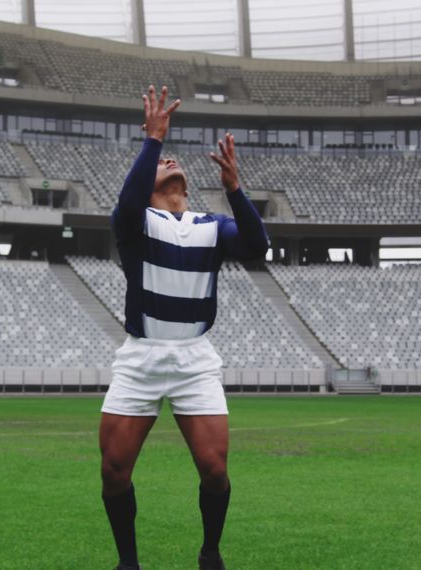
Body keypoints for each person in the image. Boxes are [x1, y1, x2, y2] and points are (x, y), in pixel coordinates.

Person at [99, 85, 269, 570]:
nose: (170, 159)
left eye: (172, 157)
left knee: (215, 469)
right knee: (114, 470)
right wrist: (151, 141)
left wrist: (237, 191)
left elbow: (257, 246)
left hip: (194, 358)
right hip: (143, 356)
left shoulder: (210, 225)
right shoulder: (135, 223)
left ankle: (210, 551)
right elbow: (127, 206)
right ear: (147, 179)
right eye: (161, 161)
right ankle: (127, 562)